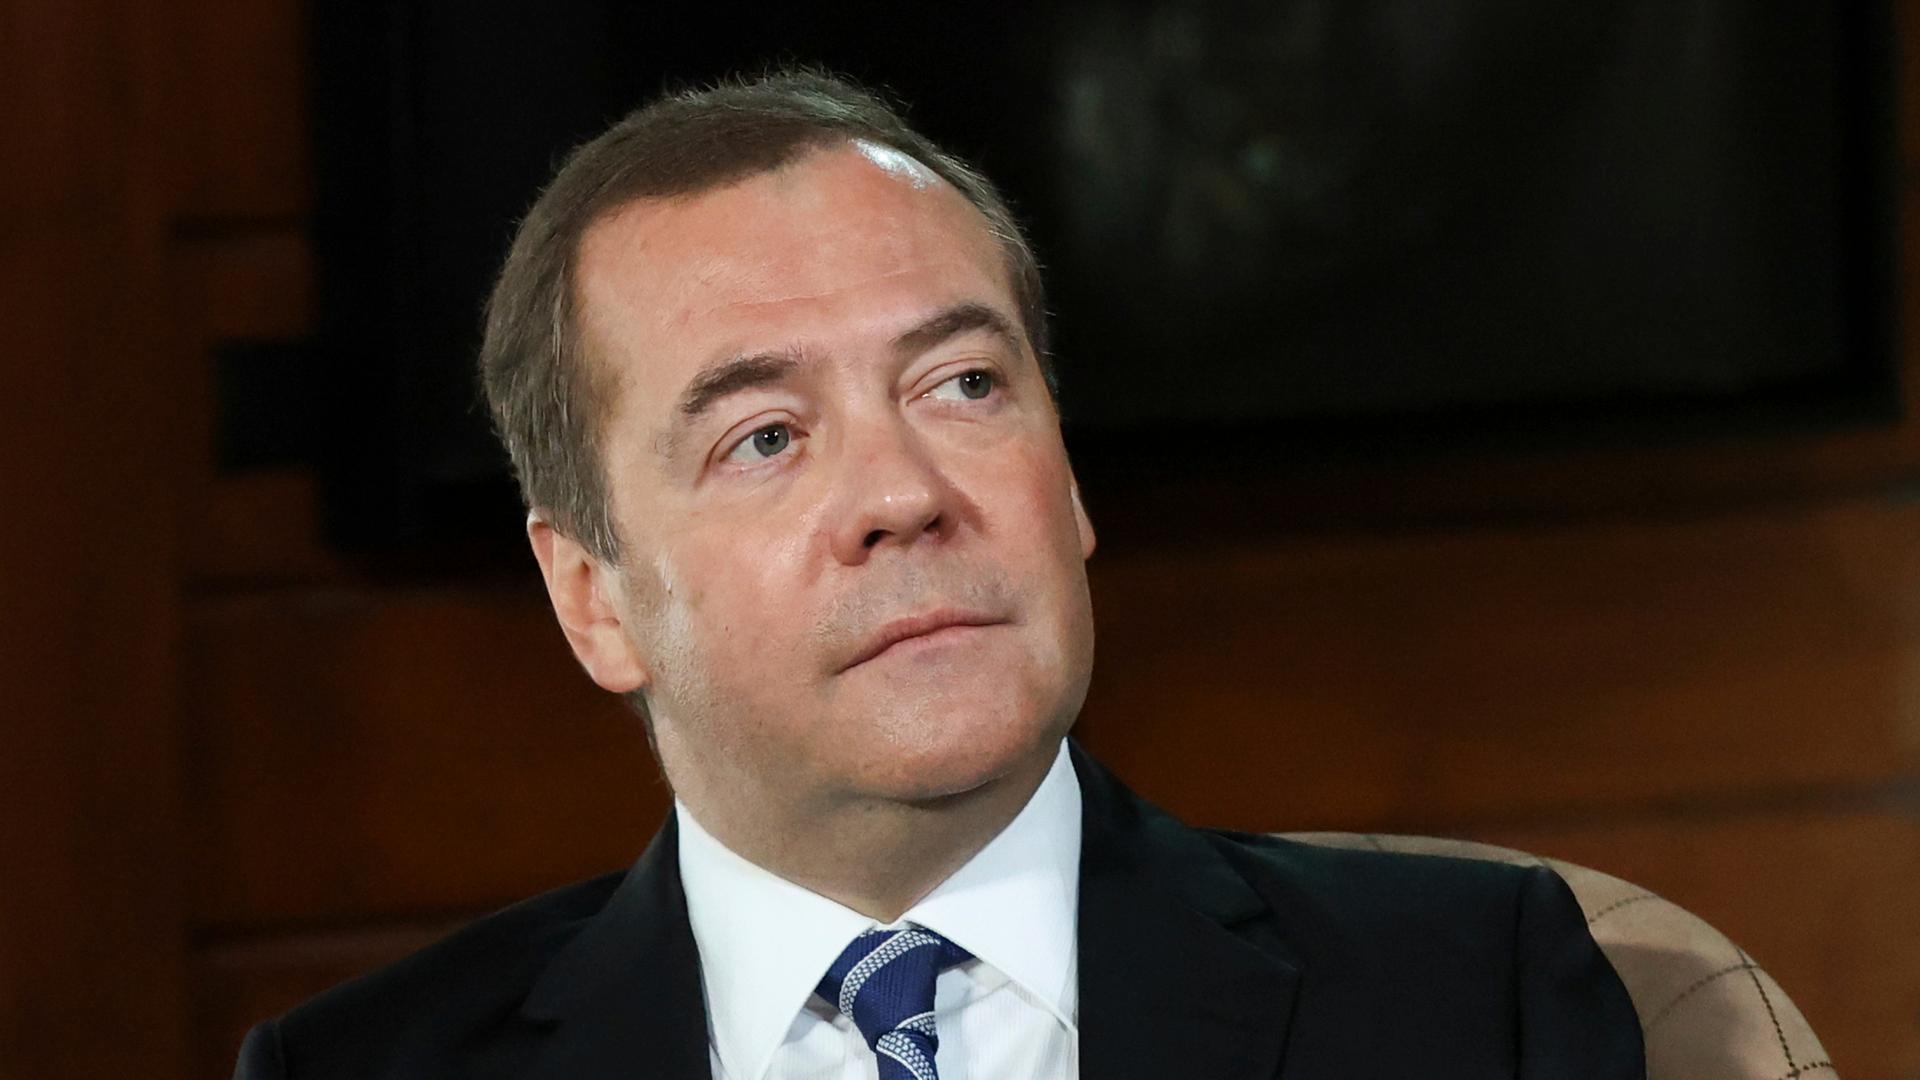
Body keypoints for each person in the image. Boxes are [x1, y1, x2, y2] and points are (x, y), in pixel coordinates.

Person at [234, 70, 1643, 1079]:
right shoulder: (360, 1069)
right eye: (766, 436)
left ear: (1067, 481)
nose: (904, 496)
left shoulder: (1472, 997)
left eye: (963, 384)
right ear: (592, 596)